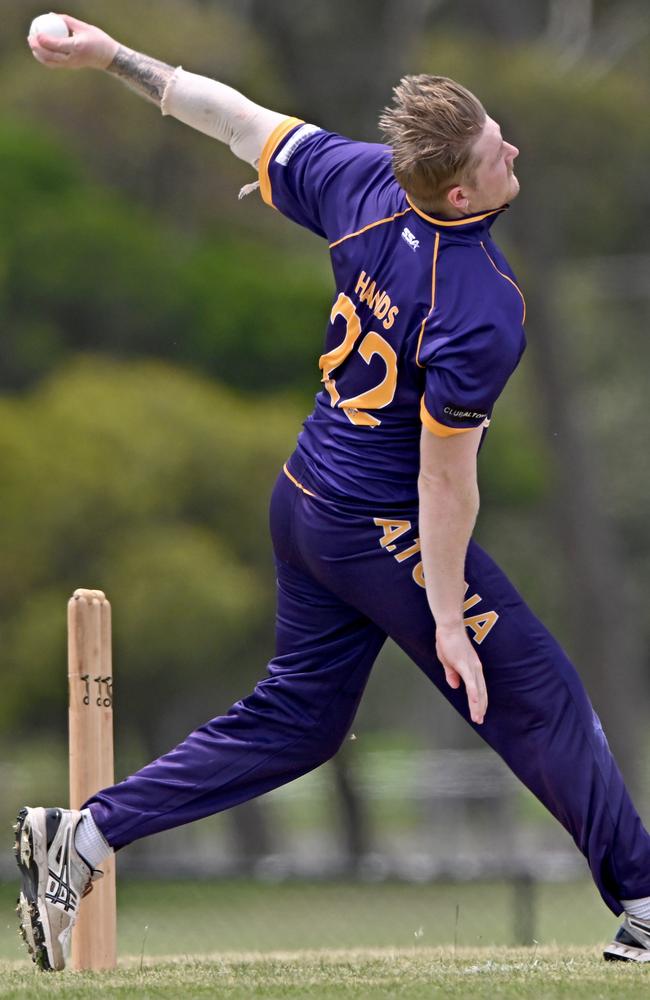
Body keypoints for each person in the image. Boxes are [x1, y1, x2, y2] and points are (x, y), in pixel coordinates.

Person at [18, 13, 650, 972]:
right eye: (493, 150)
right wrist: (446, 615)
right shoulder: (480, 303)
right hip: (375, 526)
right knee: (540, 697)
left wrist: (109, 56)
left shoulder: (363, 182)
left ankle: (88, 837)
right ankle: (645, 899)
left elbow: (232, 119)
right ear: (458, 189)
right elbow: (444, 482)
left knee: (300, 724)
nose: (512, 147)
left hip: (304, 500)